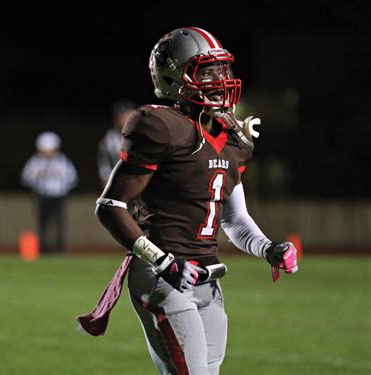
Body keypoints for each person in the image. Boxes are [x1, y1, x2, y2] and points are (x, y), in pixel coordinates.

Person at [79, 27, 298, 374]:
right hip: (162, 276)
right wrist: (163, 261)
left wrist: (266, 247)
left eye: (221, 69)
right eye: (206, 71)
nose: (219, 79)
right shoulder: (159, 125)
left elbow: (234, 219)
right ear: (173, 77)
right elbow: (110, 206)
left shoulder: (233, 138)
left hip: (207, 280)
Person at [21, 131, 78, 254]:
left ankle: (59, 249)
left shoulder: (63, 161)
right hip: (42, 196)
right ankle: (42, 249)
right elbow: (25, 177)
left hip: (58, 196)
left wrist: (63, 186)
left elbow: (73, 178)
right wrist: (36, 177)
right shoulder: (35, 162)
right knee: (41, 224)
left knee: (59, 223)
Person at [97, 99, 137, 186]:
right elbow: (104, 165)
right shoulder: (109, 140)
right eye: (124, 116)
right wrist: (106, 180)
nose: (128, 119)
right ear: (116, 119)